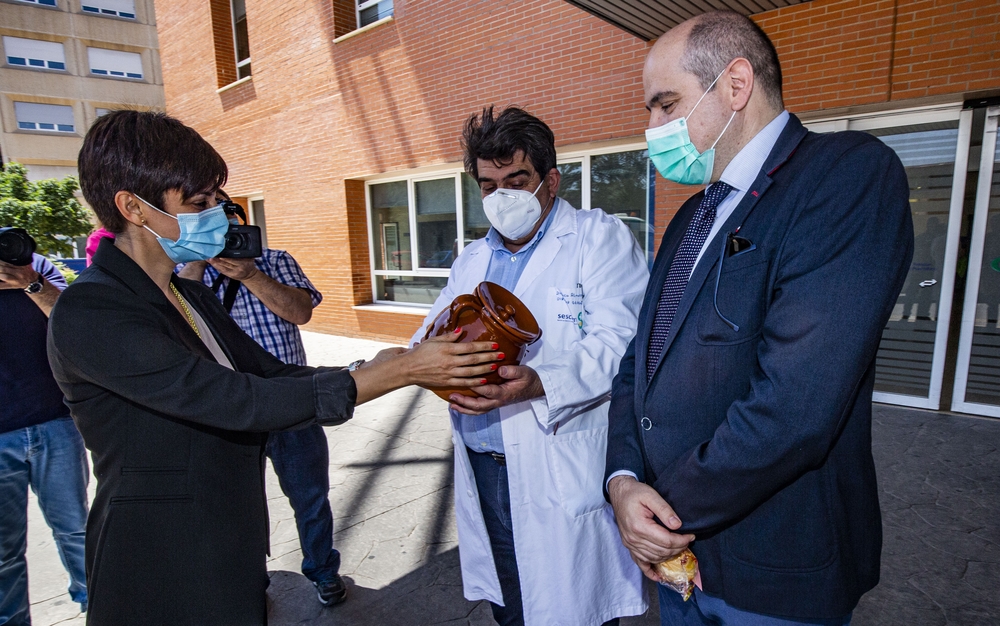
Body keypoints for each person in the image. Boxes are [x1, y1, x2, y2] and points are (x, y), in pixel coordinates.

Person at [46, 110, 500, 626]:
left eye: (218, 199)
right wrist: (398, 375)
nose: (217, 213)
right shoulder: (93, 310)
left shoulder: (186, 294)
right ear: (133, 207)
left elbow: (268, 374)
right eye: (199, 203)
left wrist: (376, 364)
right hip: (161, 558)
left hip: (226, 540)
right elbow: (235, 400)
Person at [604, 11, 913, 626]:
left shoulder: (844, 175)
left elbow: (795, 406)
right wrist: (621, 480)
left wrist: (660, 511)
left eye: (667, 105)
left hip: (775, 575)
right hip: (677, 568)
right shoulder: (691, 218)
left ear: (735, 84)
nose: (653, 128)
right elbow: (637, 364)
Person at [412, 106, 649, 626]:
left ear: (551, 180)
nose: (502, 197)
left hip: (557, 457)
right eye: (489, 184)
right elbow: (429, 333)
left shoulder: (596, 238)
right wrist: (420, 361)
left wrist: (541, 381)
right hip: (484, 462)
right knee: (512, 601)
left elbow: (623, 342)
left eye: (516, 180)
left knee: (573, 604)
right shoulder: (472, 259)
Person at [177, 193, 348, 607]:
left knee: (310, 495)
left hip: (291, 401)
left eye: (221, 216)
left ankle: (323, 570)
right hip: (229, 408)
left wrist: (252, 276)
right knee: (236, 504)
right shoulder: (182, 274)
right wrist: (198, 262)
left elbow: (301, 312)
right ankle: (246, 579)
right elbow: (177, 325)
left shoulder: (275, 260)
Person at [0, 253, 89, 625]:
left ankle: (103, 609)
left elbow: (75, 325)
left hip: (55, 421)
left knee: (79, 531)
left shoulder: (29, 261)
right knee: (3, 554)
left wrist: (30, 281)